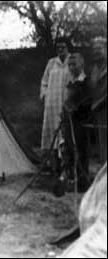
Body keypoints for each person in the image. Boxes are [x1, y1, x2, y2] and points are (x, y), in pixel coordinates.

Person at [40, 37, 72, 175]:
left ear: (68, 47)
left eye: (63, 47)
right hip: (52, 105)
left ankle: (67, 169)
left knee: (65, 134)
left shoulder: (72, 61)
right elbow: (44, 82)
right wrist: (45, 95)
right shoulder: (51, 63)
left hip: (66, 102)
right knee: (53, 135)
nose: (60, 50)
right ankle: (55, 167)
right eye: (58, 47)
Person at [61, 53, 92, 192]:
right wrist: (65, 110)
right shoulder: (70, 83)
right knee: (69, 149)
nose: (72, 67)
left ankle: (83, 181)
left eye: (74, 64)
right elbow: (66, 101)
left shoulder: (86, 82)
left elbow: (88, 102)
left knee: (81, 150)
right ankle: (70, 179)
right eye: (69, 65)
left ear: (82, 65)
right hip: (69, 122)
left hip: (81, 122)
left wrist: (76, 108)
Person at [90, 37, 107, 163]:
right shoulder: (94, 70)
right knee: (102, 144)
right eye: (94, 49)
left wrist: (98, 103)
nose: (96, 52)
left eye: (99, 49)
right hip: (99, 113)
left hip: (103, 106)